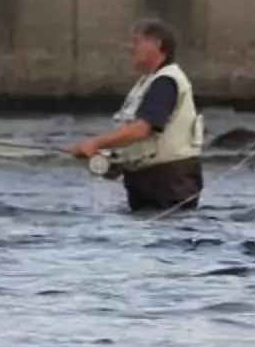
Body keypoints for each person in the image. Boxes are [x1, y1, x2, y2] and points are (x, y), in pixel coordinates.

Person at [64, 19, 204, 213]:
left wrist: (95, 143)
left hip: (169, 181)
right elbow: (140, 141)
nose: (130, 48)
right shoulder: (148, 82)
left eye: (136, 41)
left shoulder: (166, 81)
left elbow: (142, 129)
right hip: (149, 181)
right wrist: (107, 159)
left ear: (158, 45)